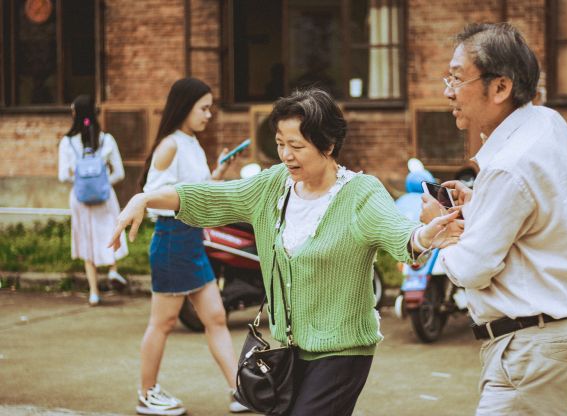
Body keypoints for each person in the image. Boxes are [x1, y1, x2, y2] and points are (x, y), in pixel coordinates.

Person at [110, 87, 460, 416]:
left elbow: (398, 234)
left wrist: (425, 236)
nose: (286, 154)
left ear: (328, 144)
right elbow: (211, 196)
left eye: (297, 145)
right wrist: (145, 197)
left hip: (343, 352)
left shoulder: (360, 193)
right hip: (289, 351)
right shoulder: (273, 185)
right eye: (280, 143)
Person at [419, 23, 567, 415]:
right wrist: (484, 203)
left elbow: (472, 269)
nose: (447, 91)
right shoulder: (550, 125)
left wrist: (442, 233)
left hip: (527, 349)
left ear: (500, 88)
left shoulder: (507, 167)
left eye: (456, 77)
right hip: (551, 340)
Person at [132, 77, 248, 415]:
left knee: (216, 317)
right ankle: (147, 393)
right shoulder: (170, 145)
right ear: (185, 107)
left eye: (210, 108)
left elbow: (195, 192)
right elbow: (152, 197)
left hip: (190, 242)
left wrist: (219, 173)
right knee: (162, 323)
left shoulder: (191, 143)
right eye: (204, 107)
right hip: (172, 240)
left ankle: (239, 391)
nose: (209, 114)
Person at [58, 95, 129, 306]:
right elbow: (120, 173)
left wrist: (80, 180)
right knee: (110, 233)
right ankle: (113, 270)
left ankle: (94, 293)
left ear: (75, 114)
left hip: (80, 200)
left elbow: (63, 176)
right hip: (104, 197)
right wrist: (102, 182)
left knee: (87, 240)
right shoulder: (107, 140)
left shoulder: (67, 142)